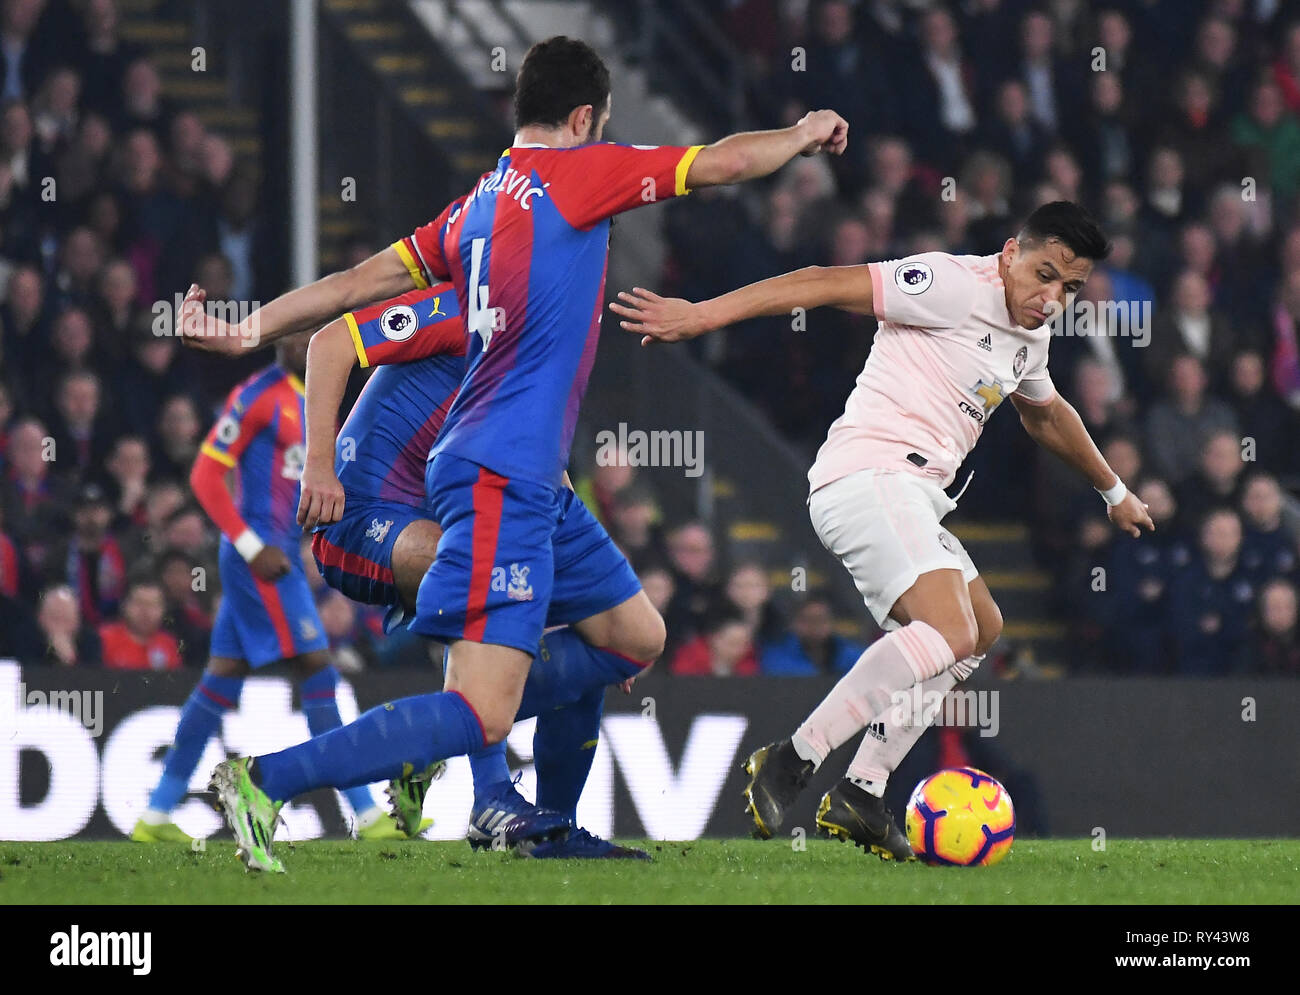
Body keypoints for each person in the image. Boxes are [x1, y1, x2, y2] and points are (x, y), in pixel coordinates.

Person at [185, 36, 847, 871]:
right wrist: (798, 135)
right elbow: (716, 162)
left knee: (630, 634)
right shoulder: (581, 173)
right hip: (497, 471)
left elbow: (354, 283)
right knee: (484, 712)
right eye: (600, 125)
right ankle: (264, 780)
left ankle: (528, 810)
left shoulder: (473, 210)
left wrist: (249, 327)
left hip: (526, 474)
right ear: (583, 119)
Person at [611, 200, 1151, 859]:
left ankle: (864, 789)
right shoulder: (951, 283)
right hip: (871, 473)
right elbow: (819, 281)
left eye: (1069, 287)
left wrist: (1113, 489)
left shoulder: (1029, 333)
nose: (1052, 297)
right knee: (947, 630)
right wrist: (702, 313)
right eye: (1044, 274)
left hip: (915, 492)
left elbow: (1045, 414)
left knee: (980, 629)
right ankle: (792, 757)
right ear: (1011, 253)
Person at [131, 334, 409, 844]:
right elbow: (206, 476)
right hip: (257, 560)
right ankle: (368, 816)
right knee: (319, 673)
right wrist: (250, 545)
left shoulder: (313, 401)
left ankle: (155, 812)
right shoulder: (257, 394)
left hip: (277, 556)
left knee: (220, 681)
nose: (302, 340)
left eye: (311, 330)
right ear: (278, 340)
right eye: (294, 330)